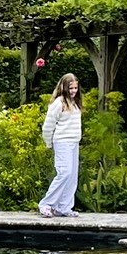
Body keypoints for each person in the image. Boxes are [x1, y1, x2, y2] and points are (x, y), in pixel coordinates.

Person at [38, 73, 83, 217]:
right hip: (62, 142)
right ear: (64, 87)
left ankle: (63, 207)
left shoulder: (75, 103)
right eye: (71, 88)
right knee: (64, 173)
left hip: (73, 142)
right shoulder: (59, 103)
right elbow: (48, 125)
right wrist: (48, 143)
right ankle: (46, 204)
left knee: (72, 176)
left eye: (75, 88)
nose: (74, 91)